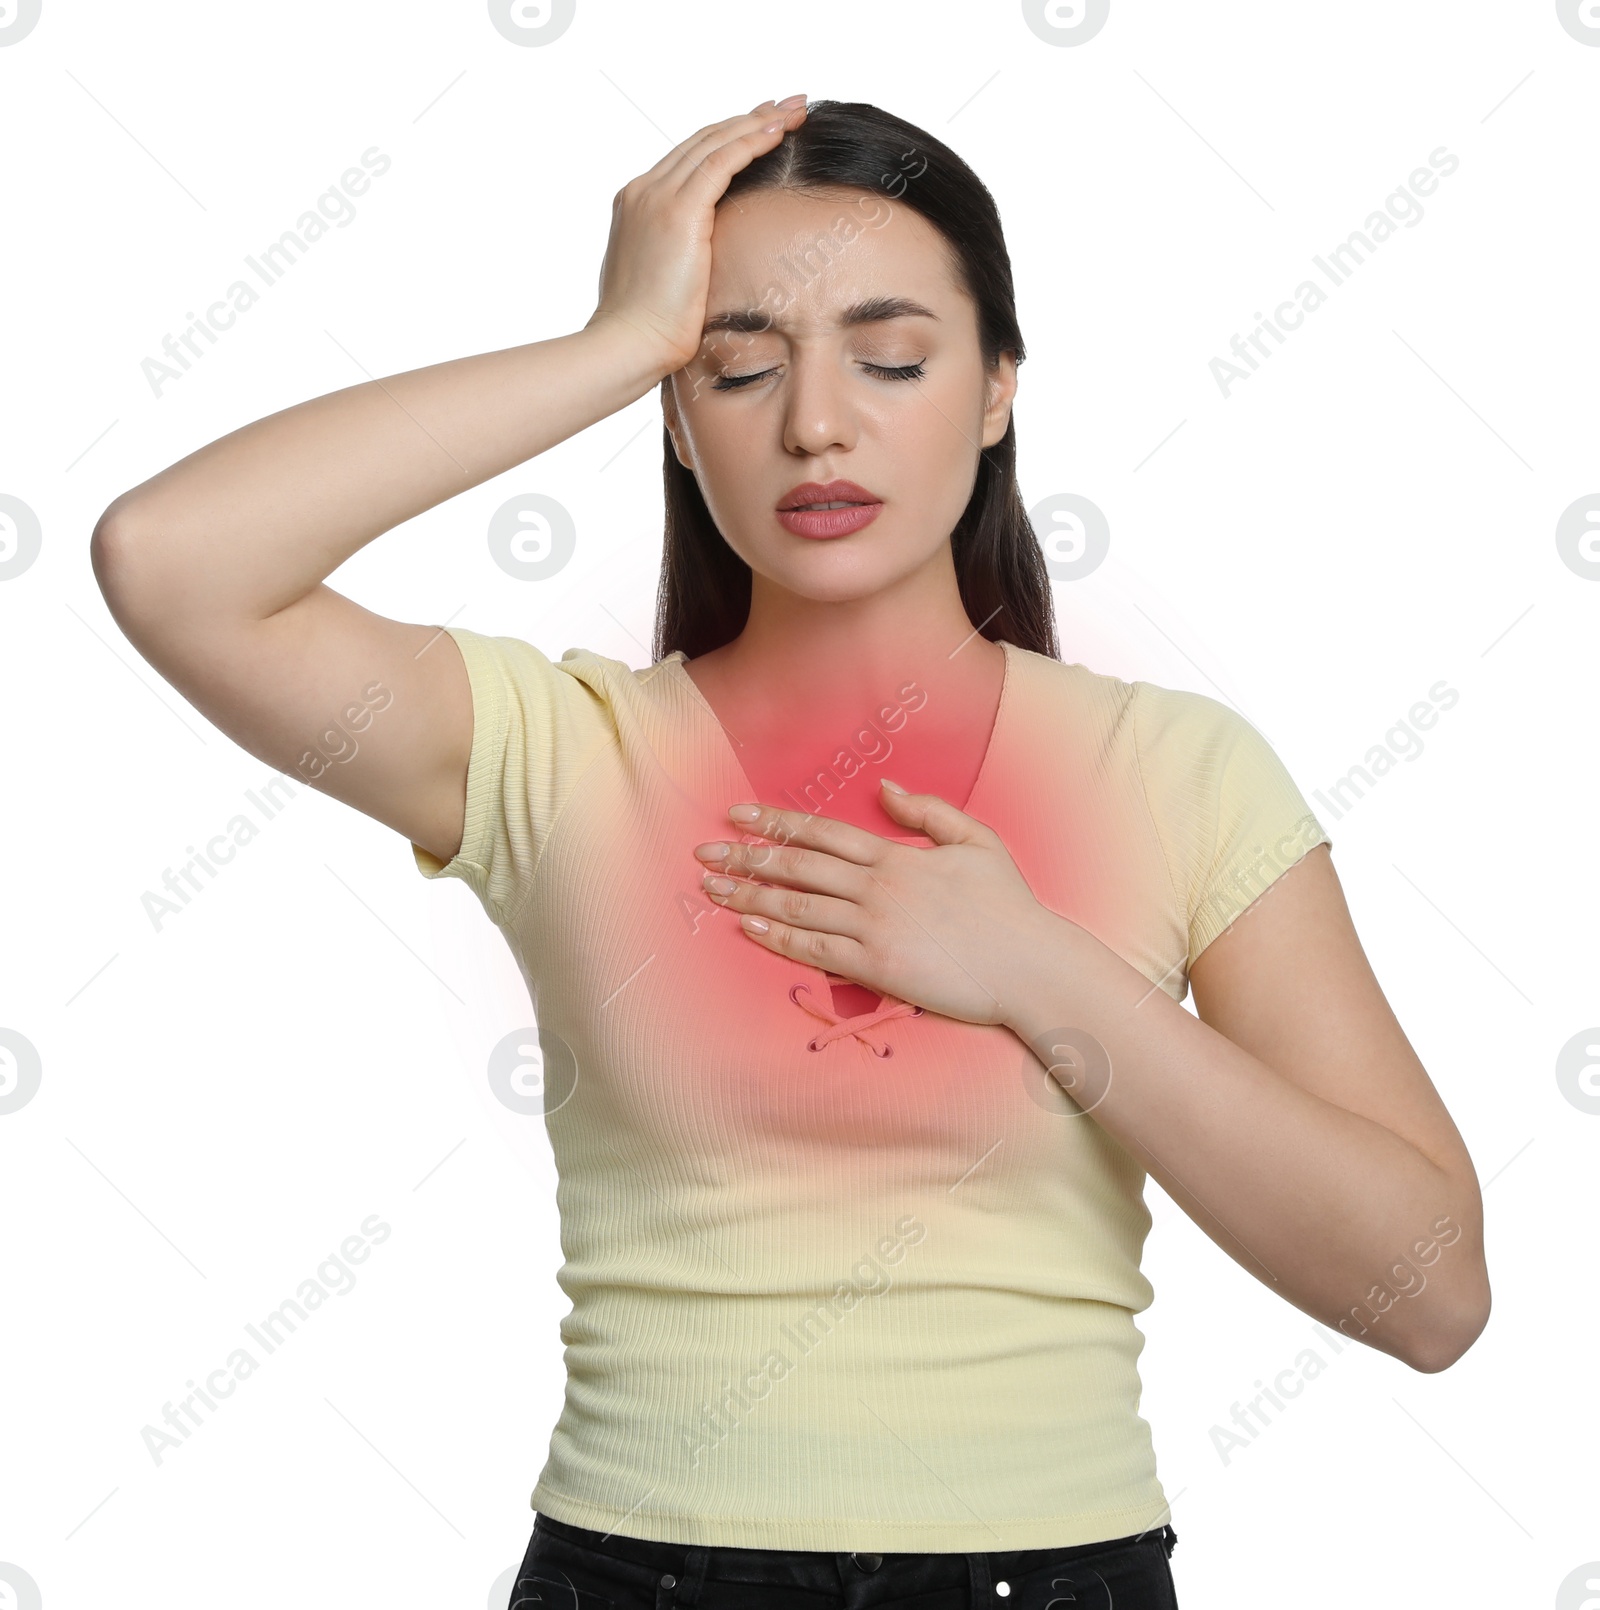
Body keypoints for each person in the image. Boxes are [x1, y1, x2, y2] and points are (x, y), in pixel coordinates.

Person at [91, 95, 1490, 1610]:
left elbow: (1430, 1291)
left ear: (1000, 388)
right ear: (682, 422)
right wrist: (611, 344)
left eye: (890, 360)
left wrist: (1038, 971)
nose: (816, 421)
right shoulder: (554, 752)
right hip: (644, 1576)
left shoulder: (1178, 769)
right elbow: (170, 561)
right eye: (740, 366)